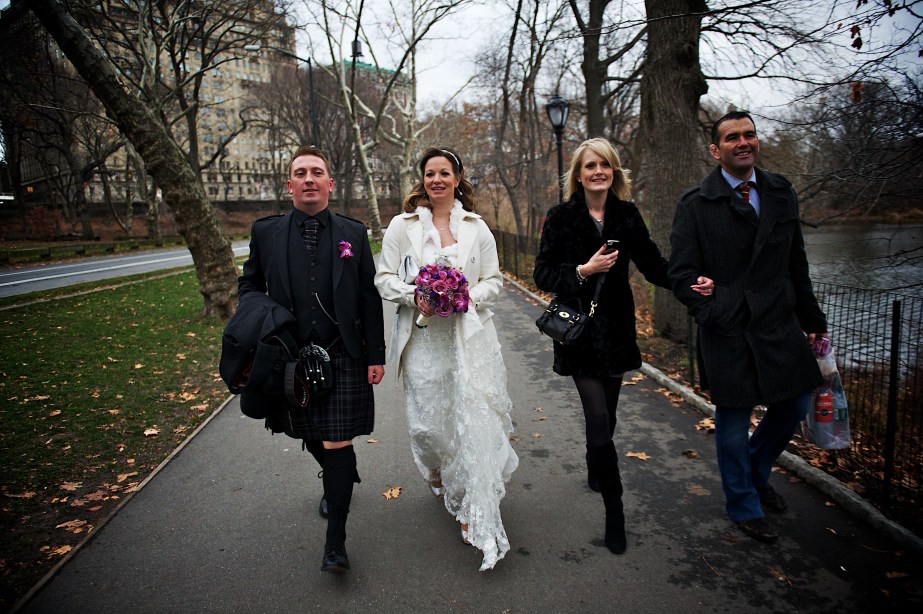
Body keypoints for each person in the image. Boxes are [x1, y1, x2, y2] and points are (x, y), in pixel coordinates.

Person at [533, 137, 712, 555]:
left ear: (614, 172)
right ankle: (615, 512)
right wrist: (583, 269)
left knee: (607, 416)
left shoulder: (626, 215)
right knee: (596, 415)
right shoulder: (560, 217)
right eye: (590, 165)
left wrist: (690, 283)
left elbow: (653, 266)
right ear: (578, 174)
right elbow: (543, 273)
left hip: (615, 330)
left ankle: (598, 463)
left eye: (606, 165)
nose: (598, 171)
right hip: (578, 333)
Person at [668, 111, 828, 544]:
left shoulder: (780, 192)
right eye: (733, 137)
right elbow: (680, 274)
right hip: (727, 327)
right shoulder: (696, 204)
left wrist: (813, 321)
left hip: (779, 321)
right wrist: (708, 306)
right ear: (715, 150)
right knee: (734, 420)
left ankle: (757, 472)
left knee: (794, 405)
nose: (744, 142)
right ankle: (743, 503)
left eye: (750, 134)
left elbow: (797, 262)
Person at [237, 145, 386, 572]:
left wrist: (374, 353)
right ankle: (339, 477)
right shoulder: (266, 233)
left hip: (343, 354)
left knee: (338, 441)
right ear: (289, 184)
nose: (308, 179)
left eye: (316, 172)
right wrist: (267, 320)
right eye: (300, 172)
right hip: (290, 357)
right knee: (307, 433)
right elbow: (249, 286)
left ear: (329, 183)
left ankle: (335, 542)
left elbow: (368, 297)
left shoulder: (353, 233)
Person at [375, 146, 519, 571]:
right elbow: (384, 276)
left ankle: (472, 504)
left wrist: (463, 297)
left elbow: (495, 280)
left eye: (445, 173)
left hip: (467, 338)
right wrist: (415, 295)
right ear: (422, 180)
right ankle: (438, 473)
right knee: (428, 425)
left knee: (469, 419)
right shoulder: (401, 226)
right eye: (430, 173)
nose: (437, 179)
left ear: (457, 178)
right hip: (421, 340)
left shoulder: (477, 228)